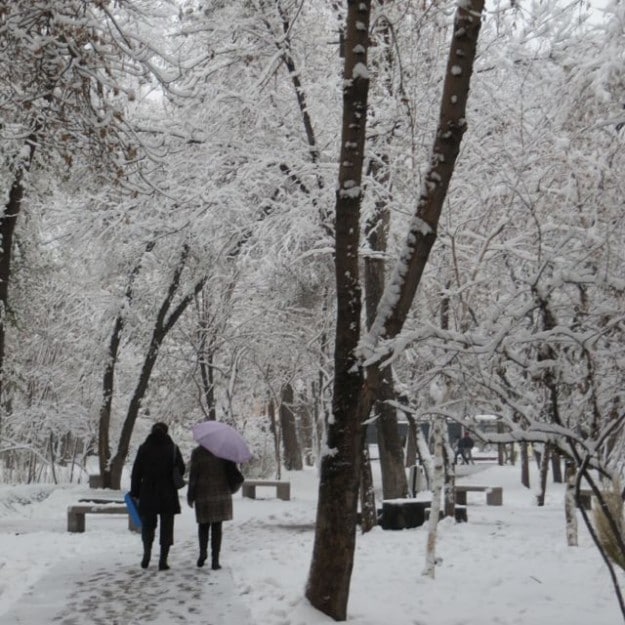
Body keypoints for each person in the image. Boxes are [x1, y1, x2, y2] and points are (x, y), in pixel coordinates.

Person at [130, 422, 185, 571]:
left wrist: (135, 492)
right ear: (166, 432)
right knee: (167, 527)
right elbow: (182, 469)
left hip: (148, 492)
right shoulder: (172, 449)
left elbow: (136, 473)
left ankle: (147, 554)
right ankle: (163, 560)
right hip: (167, 493)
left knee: (148, 526)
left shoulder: (144, 448)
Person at [187, 446, 236, 570]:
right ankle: (215, 560)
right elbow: (232, 471)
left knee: (203, 525)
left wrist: (190, 495)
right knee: (216, 527)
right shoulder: (225, 452)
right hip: (220, 493)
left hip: (202, 493)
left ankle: (203, 553)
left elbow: (193, 476)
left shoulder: (197, 452)